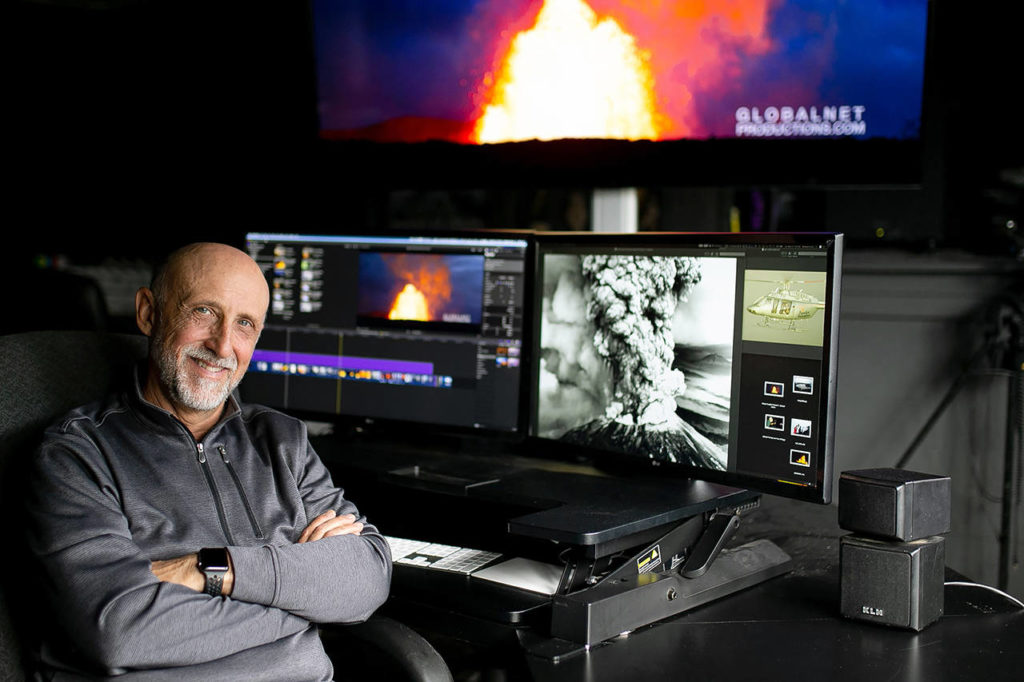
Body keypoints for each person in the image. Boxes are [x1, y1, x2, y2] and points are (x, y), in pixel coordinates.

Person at [23, 242, 392, 680]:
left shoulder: (281, 439)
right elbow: (120, 630)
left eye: (244, 324)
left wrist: (211, 570)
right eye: (203, 312)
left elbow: (368, 575)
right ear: (148, 313)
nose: (222, 345)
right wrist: (308, 598)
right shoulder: (77, 454)